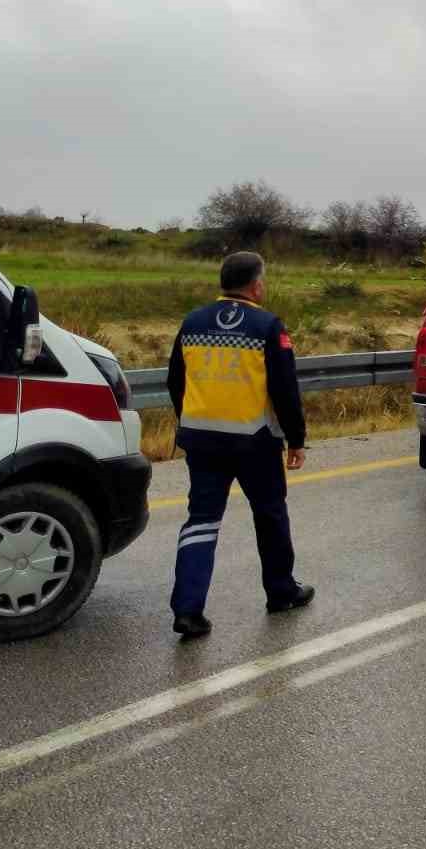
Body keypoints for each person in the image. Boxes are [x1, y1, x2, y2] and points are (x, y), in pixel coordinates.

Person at [166, 251, 314, 639]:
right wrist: (296, 438)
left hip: (202, 440)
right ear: (257, 285)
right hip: (255, 442)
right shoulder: (268, 326)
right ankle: (281, 592)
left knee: (201, 521)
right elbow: (284, 389)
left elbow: (175, 382)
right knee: (269, 515)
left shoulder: (192, 322)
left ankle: (188, 610)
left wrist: (192, 421)